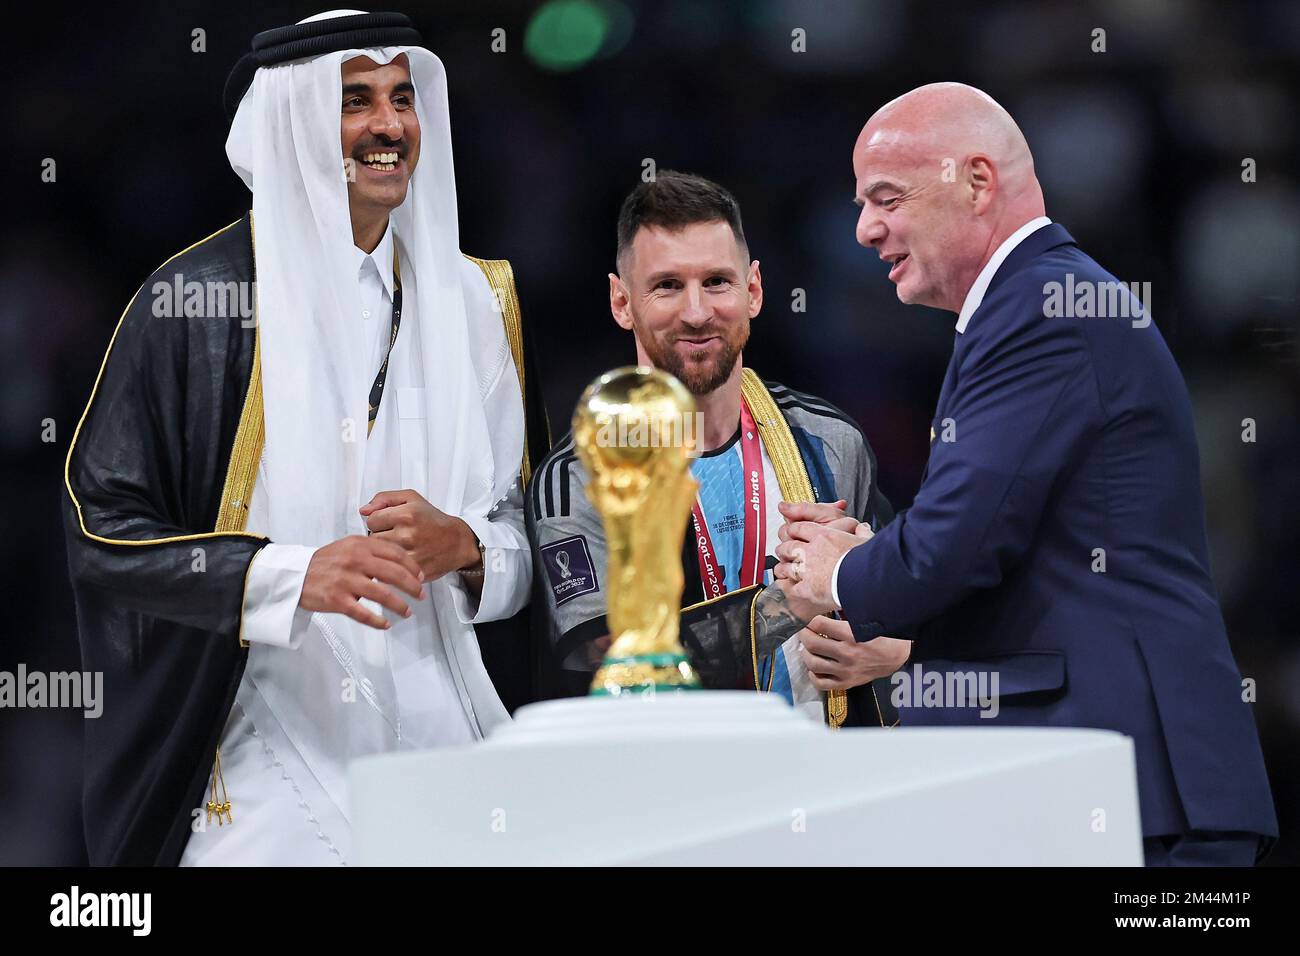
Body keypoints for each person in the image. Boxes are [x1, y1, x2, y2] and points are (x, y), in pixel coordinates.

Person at [63, 10, 548, 866]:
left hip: (451, 737)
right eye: (355, 101)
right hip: (258, 750)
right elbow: (101, 536)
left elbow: (534, 529)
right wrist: (285, 574)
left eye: (402, 98)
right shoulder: (193, 306)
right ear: (292, 120)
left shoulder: (479, 302)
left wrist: (467, 547)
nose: (389, 126)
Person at [773, 82, 1277, 864]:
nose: (866, 229)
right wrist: (896, 608)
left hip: (1132, 790)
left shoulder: (1043, 308)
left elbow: (954, 548)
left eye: (886, 197)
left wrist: (843, 576)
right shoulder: (1029, 306)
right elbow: (1021, 558)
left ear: (976, 182)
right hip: (1095, 777)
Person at [528, 171, 907, 726]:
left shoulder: (828, 441)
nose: (697, 312)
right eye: (666, 286)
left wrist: (895, 649)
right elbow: (606, 663)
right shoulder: (585, 474)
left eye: (716, 282)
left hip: (828, 784)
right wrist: (790, 602)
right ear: (621, 301)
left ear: (753, 290)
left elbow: (906, 602)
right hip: (679, 793)